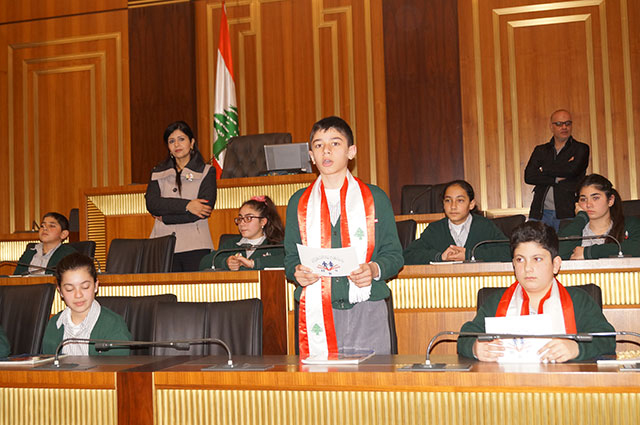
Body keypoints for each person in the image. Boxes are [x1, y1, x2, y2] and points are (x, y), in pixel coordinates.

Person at [284, 116, 404, 358]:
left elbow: (394, 256)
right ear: (311, 155)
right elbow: (290, 259)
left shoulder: (375, 198)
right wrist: (297, 272)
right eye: (318, 145)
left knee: (372, 380)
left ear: (351, 151)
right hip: (316, 309)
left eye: (335, 143)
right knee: (321, 381)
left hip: (367, 308)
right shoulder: (298, 202)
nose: (326, 150)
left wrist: (373, 269)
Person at [457, 221, 615, 363]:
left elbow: (607, 339)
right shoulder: (496, 301)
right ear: (513, 264)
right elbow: (465, 337)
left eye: (537, 259)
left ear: (555, 264)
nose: (527, 268)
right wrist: (475, 348)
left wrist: (577, 349)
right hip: (509, 383)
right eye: (520, 260)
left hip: (563, 384)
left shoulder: (578, 300)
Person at [145, 121, 217, 272]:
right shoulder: (157, 172)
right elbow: (153, 204)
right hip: (162, 244)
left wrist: (165, 218)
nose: (176, 144)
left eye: (181, 139)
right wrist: (187, 205)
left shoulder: (206, 171)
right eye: (171, 141)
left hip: (196, 245)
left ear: (192, 142)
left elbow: (203, 210)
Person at [41, 253, 131, 356]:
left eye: (85, 287)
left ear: (96, 286)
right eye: (69, 289)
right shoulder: (55, 324)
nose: (78, 295)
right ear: (60, 291)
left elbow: (117, 364)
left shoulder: (113, 325)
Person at [403, 180, 511, 263]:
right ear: (443, 204)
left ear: (471, 204)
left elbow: (509, 252)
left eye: (460, 200)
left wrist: (470, 255)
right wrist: (440, 257)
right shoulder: (435, 229)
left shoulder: (485, 226)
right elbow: (408, 255)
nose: (453, 206)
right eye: (448, 200)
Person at [524, 109, 590, 230]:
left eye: (568, 123)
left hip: (567, 211)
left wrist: (544, 169)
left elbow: (572, 171)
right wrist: (555, 179)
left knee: (566, 242)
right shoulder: (541, 150)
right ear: (551, 127)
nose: (564, 127)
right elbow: (529, 176)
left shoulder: (581, 148)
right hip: (540, 213)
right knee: (534, 241)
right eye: (559, 124)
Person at [559, 174, 640, 259]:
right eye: (583, 199)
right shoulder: (571, 228)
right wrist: (581, 218)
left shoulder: (630, 225)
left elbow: (636, 248)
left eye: (595, 198)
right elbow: (558, 254)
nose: (588, 204)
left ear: (610, 200)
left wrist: (588, 252)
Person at [199, 195, 285, 270]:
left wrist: (253, 264)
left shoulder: (276, 244)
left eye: (248, 218)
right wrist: (226, 262)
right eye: (240, 218)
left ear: (263, 221)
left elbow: (287, 260)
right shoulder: (232, 244)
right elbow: (204, 262)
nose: (242, 223)